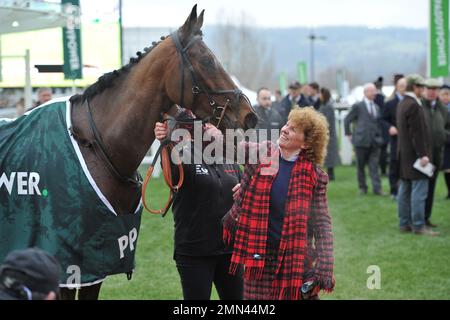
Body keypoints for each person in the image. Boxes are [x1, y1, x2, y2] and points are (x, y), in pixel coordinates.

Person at [223, 107, 335, 300]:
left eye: (293, 129)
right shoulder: (261, 154)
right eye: (286, 124)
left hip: (296, 261)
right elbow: (227, 145)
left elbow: (322, 224)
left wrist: (324, 267)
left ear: (307, 143)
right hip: (259, 258)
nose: (284, 129)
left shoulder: (315, 177)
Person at [154, 108, 243, 300]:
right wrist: (165, 141)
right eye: (206, 124)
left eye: (213, 124)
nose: (213, 128)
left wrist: (246, 189)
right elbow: (173, 174)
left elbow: (247, 193)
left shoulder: (228, 157)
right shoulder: (183, 154)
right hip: (195, 252)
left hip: (230, 250)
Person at [396, 74, 438, 236]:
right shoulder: (413, 105)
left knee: (405, 190)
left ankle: (404, 223)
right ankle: (419, 225)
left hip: (405, 156)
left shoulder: (402, 103)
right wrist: (423, 155)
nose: (424, 90)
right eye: (421, 87)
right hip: (415, 156)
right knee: (419, 192)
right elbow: (417, 134)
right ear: (415, 87)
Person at [344, 83, 385, 196]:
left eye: (375, 91)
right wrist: (348, 133)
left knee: (374, 167)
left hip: (375, 142)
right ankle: (363, 188)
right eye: (372, 91)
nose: (374, 93)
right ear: (365, 93)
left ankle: (377, 189)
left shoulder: (376, 107)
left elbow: (378, 123)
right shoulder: (358, 106)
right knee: (360, 167)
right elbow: (347, 119)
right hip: (361, 141)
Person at [421, 78, 450, 227]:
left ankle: (426, 218)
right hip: (421, 158)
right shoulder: (419, 107)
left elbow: (447, 128)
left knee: (431, 189)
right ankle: (417, 220)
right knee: (420, 190)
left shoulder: (442, 109)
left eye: (435, 90)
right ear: (424, 90)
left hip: (437, 156)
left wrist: (444, 135)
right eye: (429, 89)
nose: (432, 92)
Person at [382, 76, 407, 200]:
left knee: (406, 164)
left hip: (408, 140)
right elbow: (382, 119)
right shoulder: (390, 103)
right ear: (397, 87)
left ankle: (405, 190)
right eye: (401, 85)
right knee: (394, 164)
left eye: (405, 85)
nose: (403, 88)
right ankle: (394, 191)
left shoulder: (410, 102)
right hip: (395, 139)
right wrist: (389, 127)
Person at [318, 88, 340, 180]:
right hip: (325, 134)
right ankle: (327, 174)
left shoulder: (328, 107)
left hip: (328, 134)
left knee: (329, 155)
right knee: (326, 155)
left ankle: (331, 175)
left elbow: (328, 121)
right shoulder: (324, 106)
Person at [439, 84, 450, 199]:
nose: (445, 97)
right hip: (442, 141)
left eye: (447, 94)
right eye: (443, 94)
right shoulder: (437, 108)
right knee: (446, 169)